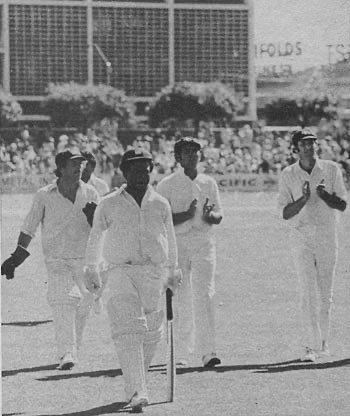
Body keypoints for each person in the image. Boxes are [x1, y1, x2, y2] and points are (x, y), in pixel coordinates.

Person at [83, 148, 181, 412]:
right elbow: (95, 236)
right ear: (124, 173)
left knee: (151, 333)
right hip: (120, 271)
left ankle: (135, 385)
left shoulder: (161, 203)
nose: (141, 174)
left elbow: (170, 239)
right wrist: (91, 268)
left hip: (153, 272)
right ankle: (139, 390)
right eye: (135, 169)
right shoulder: (109, 202)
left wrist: (174, 269)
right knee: (129, 328)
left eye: (146, 169)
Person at [1, 150, 100, 370]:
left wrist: (95, 218)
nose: (79, 168)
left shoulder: (91, 192)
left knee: (83, 306)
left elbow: (102, 227)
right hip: (57, 259)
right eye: (74, 164)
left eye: (81, 164)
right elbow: (29, 226)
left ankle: (72, 349)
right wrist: (15, 258)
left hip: (84, 259)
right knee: (64, 301)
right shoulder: (44, 194)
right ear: (61, 168)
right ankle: (66, 353)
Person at [277, 130, 347, 362]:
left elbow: (343, 204)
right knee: (307, 292)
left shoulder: (331, 169)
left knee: (325, 293)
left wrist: (325, 196)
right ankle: (310, 346)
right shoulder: (288, 174)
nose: (309, 147)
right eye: (304, 143)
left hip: (327, 236)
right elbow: (285, 213)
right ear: (295, 147)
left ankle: (324, 343)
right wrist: (304, 199)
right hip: (301, 237)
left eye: (312, 143)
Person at [157, 137, 224, 368]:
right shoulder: (167, 184)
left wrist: (209, 216)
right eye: (187, 152)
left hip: (204, 243)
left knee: (205, 295)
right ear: (178, 157)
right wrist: (186, 215)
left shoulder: (208, 182)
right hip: (177, 244)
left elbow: (218, 215)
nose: (193, 155)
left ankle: (208, 352)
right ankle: (180, 353)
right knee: (179, 298)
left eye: (196, 151)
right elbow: (160, 221)